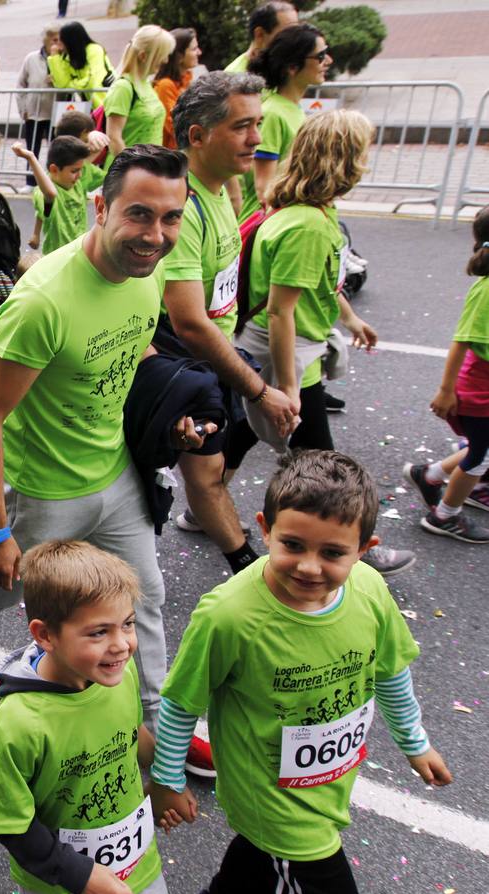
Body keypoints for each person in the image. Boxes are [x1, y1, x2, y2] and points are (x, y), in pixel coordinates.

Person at [0, 146, 203, 715]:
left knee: (145, 598)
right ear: (101, 207)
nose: (155, 234)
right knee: (10, 584)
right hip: (47, 489)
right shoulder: (43, 301)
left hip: (118, 473)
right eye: (140, 214)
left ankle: (159, 725)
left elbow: (136, 347)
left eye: (171, 217)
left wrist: (170, 411)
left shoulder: (145, 273)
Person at [149, 451, 452, 894]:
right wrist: (168, 781)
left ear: (364, 550)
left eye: (332, 553)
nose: (310, 566)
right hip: (274, 803)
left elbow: (388, 670)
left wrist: (415, 741)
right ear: (266, 529)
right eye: (293, 545)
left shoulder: (369, 590)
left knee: (253, 875)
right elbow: (181, 703)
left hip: (328, 787)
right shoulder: (229, 616)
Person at [227, 110, 414, 576]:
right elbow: (280, 310)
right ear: (345, 160)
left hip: (288, 347)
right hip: (285, 353)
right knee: (320, 466)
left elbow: (320, 286)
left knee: (244, 432)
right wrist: (289, 386)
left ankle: (204, 507)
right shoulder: (307, 226)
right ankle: (355, 551)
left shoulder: (310, 212)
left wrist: (349, 318)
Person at [156, 72, 299, 573]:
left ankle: (245, 564)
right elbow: (190, 322)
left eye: (258, 124)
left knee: (208, 473)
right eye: (242, 127)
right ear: (197, 136)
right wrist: (259, 390)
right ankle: (249, 569)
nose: (258, 138)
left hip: (205, 360)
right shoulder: (182, 207)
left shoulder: (221, 189)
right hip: (177, 364)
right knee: (197, 474)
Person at [0, 541, 173, 894]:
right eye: (99, 632)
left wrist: (167, 781)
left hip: (138, 863)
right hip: (58, 885)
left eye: (127, 624)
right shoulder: (14, 726)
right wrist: (78, 875)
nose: (122, 645)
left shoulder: (120, 676)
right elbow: (11, 824)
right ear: (45, 635)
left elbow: (134, 735)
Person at [402, 207, 489, 542]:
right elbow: (461, 342)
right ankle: (444, 515)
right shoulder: (485, 291)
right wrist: (446, 390)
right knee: (481, 457)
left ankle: (432, 475)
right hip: (479, 394)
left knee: (482, 448)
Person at [240, 23, 330, 219]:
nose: (328, 61)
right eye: (320, 56)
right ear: (292, 67)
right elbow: (264, 189)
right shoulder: (272, 114)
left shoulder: (291, 109)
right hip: (267, 224)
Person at [14, 135, 103, 255]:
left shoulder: (76, 184)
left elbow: (42, 212)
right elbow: (49, 196)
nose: (80, 175)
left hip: (79, 251)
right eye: (74, 171)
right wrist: (31, 157)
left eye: (80, 169)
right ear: (54, 170)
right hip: (58, 256)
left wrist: (36, 234)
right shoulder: (43, 192)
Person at [103, 26, 174, 160]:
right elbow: (114, 138)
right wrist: (134, 171)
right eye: (161, 55)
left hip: (149, 170)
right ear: (143, 56)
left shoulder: (145, 84)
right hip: (128, 175)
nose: (165, 60)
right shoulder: (123, 87)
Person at [14, 25, 60, 192]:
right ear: (46, 40)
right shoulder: (32, 58)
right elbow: (20, 84)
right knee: (32, 148)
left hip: (55, 114)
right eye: (54, 39)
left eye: (59, 39)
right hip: (34, 112)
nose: (57, 43)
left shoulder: (62, 59)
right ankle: (31, 182)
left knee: (56, 150)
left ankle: (54, 181)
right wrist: (23, 108)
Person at [48, 22, 113, 110]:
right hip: (90, 108)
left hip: (109, 103)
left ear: (71, 41)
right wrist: (55, 57)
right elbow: (62, 84)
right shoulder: (68, 57)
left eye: (61, 40)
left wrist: (72, 84)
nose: (58, 44)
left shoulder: (94, 50)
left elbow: (92, 82)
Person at [226, 1, 298, 74]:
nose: (297, 39)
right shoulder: (235, 77)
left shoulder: (290, 67)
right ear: (259, 35)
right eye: (288, 33)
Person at [154, 28, 197, 150]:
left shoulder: (187, 80)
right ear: (179, 56)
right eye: (193, 49)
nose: (199, 52)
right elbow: (174, 127)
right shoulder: (165, 86)